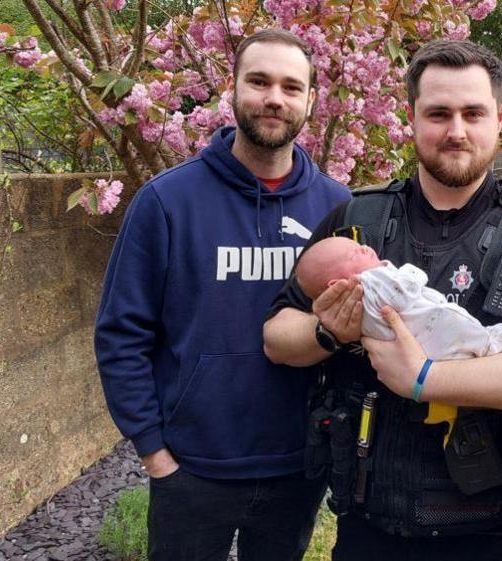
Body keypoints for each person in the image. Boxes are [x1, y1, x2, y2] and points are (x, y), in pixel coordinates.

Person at [263, 40, 502, 560]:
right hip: (367, 528)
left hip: (489, 535)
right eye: (438, 113)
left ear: (500, 117)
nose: (456, 131)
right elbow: (277, 336)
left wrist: (424, 378)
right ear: (411, 115)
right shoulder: (356, 222)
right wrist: (326, 332)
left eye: (473, 113)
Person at [94, 29, 351, 561]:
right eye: (258, 81)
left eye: (290, 86)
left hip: (295, 468)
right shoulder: (166, 202)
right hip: (192, 470)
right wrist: (154, 451)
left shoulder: (338, 207)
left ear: (309, 101)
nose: (274, 98)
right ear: (231, 89)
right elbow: (121, 334)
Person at [294, 236, 502, 358]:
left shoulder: (361, 305)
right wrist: (412, 272)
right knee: (456, 319)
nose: (364, 247)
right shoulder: (370, 282)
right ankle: (488, 343)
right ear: (336, 285)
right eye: (354, 253)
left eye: (359, 245)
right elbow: (403, 292)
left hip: (422, 349)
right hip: (433, 325)